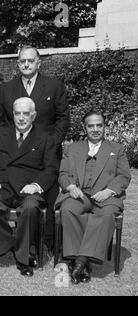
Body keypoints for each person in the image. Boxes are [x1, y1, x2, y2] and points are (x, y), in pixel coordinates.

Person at [0, 45, 70, 249]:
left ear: (38, 62)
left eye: (30, 60)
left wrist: (51, 143)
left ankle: (48, 241)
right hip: (15, 156)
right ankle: (20, 241)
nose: (26, 64)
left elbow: (63, 118)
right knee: (19, 198)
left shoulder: (54, 86)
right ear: (18, 64)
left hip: (45, 154)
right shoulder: (7, 88)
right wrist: (5, 140)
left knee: (48, 197)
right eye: (22, 61)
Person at [0, 97, 58, 277]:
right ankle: (11, 243)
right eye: (17, 114)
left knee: (30, 208)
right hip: (2, 186)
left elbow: (51, 169)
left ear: (34, 115)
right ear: (12, 115)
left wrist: (37, 185)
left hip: (28, 188)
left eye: (26, 114)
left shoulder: (45, 138)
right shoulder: (0, 134)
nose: (21, 118)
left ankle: (23, 259)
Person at [55, 110, 131, 284]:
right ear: (85, 128)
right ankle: (82, 260)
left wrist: (109, 190)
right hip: (80, 194)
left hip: (106, 197)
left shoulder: (116, 149)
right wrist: (71, 186)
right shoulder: (72, 148)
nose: (95, 129)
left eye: (99, 125)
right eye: (91, 126)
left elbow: (124, 175)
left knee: (105, 215)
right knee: (68, 209)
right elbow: (63, 174)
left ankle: (80, 262)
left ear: (104, 127)